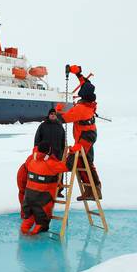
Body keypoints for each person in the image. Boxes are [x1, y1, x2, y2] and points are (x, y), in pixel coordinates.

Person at [55, 65, 100, 200]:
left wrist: (58, 110)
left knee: (74, 161)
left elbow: (62, 119)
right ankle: (93, 190)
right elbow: (86, 83)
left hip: (85, 138)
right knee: (88, 163)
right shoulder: (90, 102)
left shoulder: (81, 109)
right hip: (89, 135)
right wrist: (78, 73)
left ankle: (91, 191)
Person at [20, 141, 73, 235]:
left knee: (27, 221)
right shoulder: (51, 164)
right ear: (49, 152)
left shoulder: (31, 160)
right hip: (42, 200)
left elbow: (32, 160)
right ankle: (36, 241)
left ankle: (24, 237)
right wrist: (72, 153)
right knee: (42, 224)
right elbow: (68, 166)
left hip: (28, 199)